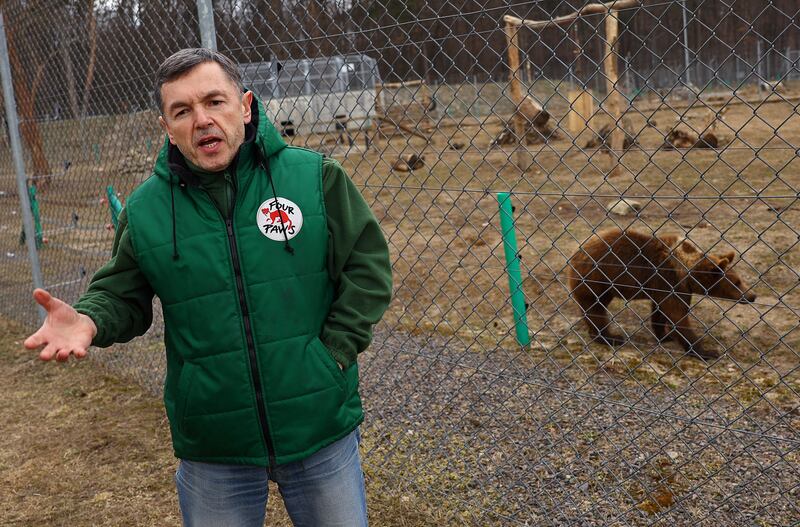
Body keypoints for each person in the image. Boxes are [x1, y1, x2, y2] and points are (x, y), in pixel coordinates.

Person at [23, 48, 393, 527]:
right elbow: (122, 295)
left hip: (318, 423)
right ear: (166, 126)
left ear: (244, 105)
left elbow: (367, 268)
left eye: (214, 102)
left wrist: (332, 355)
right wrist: (89, 320)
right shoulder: (147, 211)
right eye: (182, 110)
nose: (202, 120)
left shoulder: (313, 178)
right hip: (215, 442)